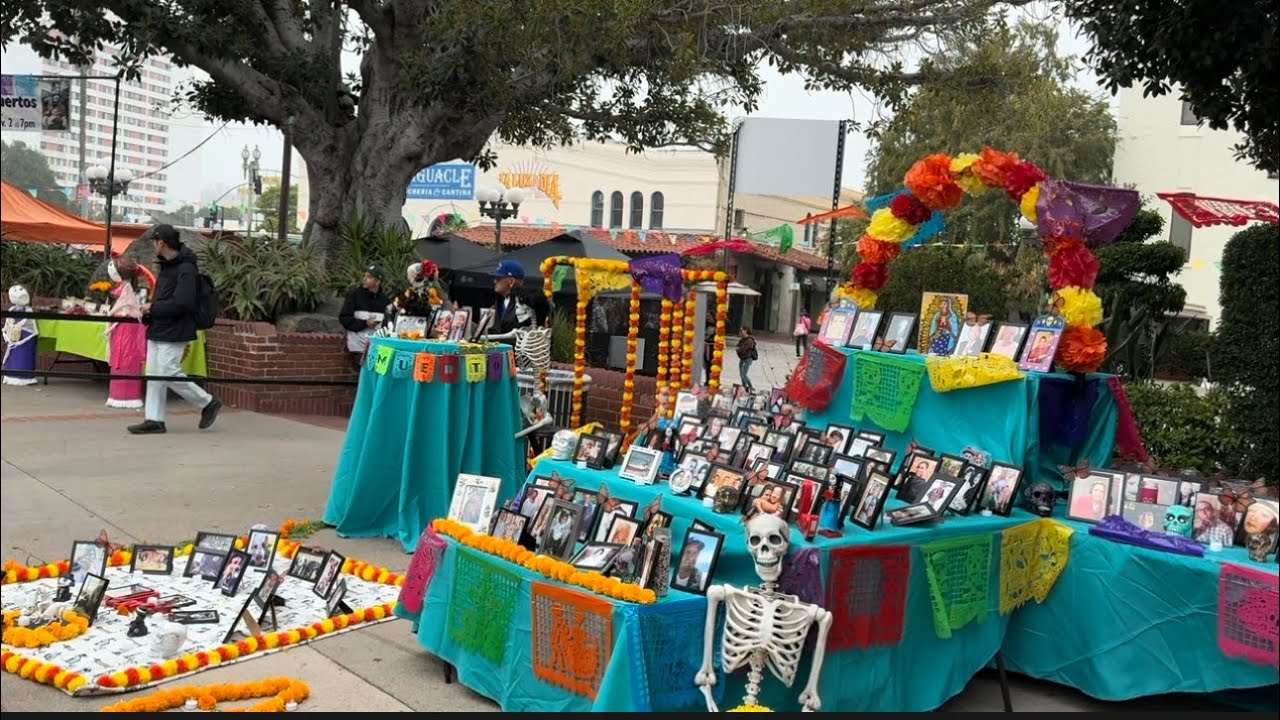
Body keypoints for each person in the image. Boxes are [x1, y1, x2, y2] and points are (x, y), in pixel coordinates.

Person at [128, 225, 222, 435]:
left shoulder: (186, 268)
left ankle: (207, 402)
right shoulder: (168, 266)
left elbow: (184, 302)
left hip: (177, 327)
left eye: (154, 241)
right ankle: (154, 419)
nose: (153, 245)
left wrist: (153, 307)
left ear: (161, 243)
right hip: (159, 325)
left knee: (169, 371)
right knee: (154, 374)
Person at [104, 257, 148, 408]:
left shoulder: (127, 290)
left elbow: (126, 311)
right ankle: (120, 395)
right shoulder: (125, 288)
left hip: (126, 330)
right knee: (121, 358)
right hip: (122, 329)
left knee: (125, 358)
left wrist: (111, 321)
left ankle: (126, 396)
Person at [338, 265, 390, 356]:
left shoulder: (385, 301)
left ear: (377, 282)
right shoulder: (354, 295)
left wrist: (380, 324)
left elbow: (389, 324)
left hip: (376, 349)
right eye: (364, 276)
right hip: (356, 348)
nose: (365, 279)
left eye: (369, 277)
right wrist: (365, 323)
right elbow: (344, 318)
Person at [491, 259, 533, 338]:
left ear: (511, 281)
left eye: (498, 278)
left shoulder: (525, 303)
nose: (494, 281)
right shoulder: (499, 302)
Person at [736, 327, 758, 392]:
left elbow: (743, 349)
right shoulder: (742, 339)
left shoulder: (749, 340)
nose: (740, 332)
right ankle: (744, 387)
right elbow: (738, 346)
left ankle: (751, 387)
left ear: (745, 330)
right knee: (741, 374)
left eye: (741, 330)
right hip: (742, 358)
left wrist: (738, 350)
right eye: (740, 330)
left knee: (744, 374)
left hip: (747, 359)